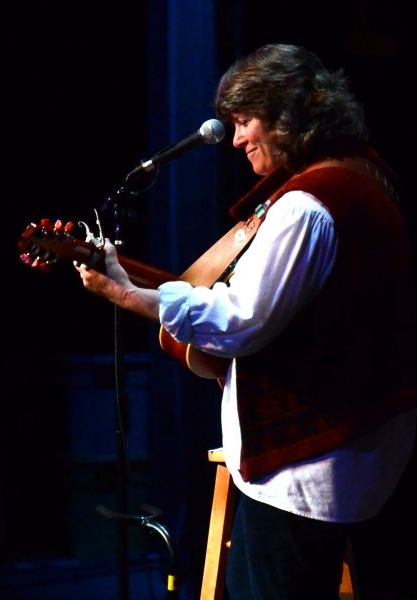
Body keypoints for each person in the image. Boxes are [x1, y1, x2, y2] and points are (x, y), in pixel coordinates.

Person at [75, 43, 417, 599]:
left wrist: (128, 296)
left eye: (243, 121)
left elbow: (241, 322)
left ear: (287, 115)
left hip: (307, 465)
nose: (235, 139)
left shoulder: (307, 206)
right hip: (366, 445)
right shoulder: (365, 176)